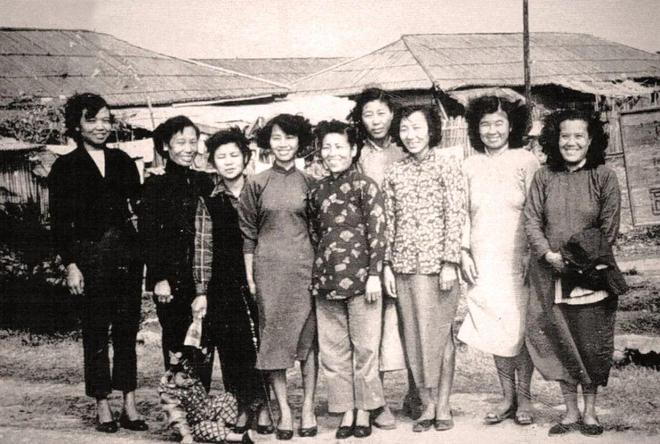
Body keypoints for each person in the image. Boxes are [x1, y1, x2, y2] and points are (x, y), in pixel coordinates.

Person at [49, 93, 147, 433]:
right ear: (77, 125)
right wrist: (71, 265)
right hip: (90, 258)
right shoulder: (65, 167)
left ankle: (129, 404)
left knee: (127, 330)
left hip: (126, 258)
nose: (101, 127)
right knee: (95, 331)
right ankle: (102, 403)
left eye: (106, 120)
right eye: (92, 120)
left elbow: (137, 209)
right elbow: (59, 222)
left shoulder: (123, 161)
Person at [524, 109, 622, 437]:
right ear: (555, 139)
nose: (571, 142)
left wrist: (576, 262)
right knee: (561, 341)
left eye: (579, 136)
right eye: (565, 136)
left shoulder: (604, 177)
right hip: (550, 272)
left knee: (590, 344)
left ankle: (590, 412)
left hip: (591, 274)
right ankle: (569, 412)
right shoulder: (543, 177)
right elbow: (531, 220)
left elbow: (608, 228)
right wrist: (548, 255)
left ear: (591, 140)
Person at [382, 105, 466, 433]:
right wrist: (387, 266)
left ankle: (443, 405)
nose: (411, 135)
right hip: (404, 266)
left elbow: (456, 214)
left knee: (440, 337)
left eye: (417, 128)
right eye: (405, 129)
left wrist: (450, 262)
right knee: (414, 337)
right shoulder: (394, 172)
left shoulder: (448, 166)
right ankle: (426, 404)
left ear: (431, 130)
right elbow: (389, 222)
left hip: (438, 267)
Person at [457, 96, 540, 426]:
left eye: (499, 123)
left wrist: (531, 252)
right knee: (495, 325)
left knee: (518, 327)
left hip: (518, 257)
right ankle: (507, 397)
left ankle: (526, 397)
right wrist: (463, 252)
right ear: (476, 129)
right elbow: (462, 213)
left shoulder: (526, 161)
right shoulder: (469, 165)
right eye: (485, 124)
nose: (492, 130)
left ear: (511, 126)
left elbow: (536, 211)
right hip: (483, 258)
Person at [238, 114, 318, 440]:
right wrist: (251, 278)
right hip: (268, 273)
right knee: (273, 342)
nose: (283, 144)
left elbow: (318, 231)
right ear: (267, 143)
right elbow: (248, 235)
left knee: (307, 343)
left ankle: (308, 407)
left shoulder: (311, 182)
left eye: (289, 137)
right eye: (276, 138)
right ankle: (284, 410)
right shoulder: (256, 183)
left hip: (304, 271)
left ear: (300, 142)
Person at [307, 120, 386, 439]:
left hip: (363, 280)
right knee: (333, 351)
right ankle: (346, 410)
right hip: (327, 280)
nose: (332, 153)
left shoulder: (366, 185)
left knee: (365, 348)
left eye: (339, 146)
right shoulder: (317, 190)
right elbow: (315, 233)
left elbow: (378, 233)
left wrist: (375, 274)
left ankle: (365, 409)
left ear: (353, 150)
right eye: (327, 147)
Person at [348, 87, 421, 428]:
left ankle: (417, 392)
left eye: (381, 113)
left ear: (392, 114)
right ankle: (375, 402)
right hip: (368, 250)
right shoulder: (356, 153)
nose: (375, 120)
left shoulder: (406, 146)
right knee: (372, 329)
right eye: (368, 114)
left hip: (407, 246)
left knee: (409, 323)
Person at [193, 127, 273, 435]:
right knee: (232, 347)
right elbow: (203, 247)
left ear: (246, 157)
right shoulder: (209, 200)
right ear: (212, 162)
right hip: (224, 284)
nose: (228, 162)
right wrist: (201, 290)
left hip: (262, 278)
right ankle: (241, 405)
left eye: (234, 155)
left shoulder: (260, 190)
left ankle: (264, 406)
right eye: (221, 156)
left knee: (263, 344)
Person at [141, 116, 213, 383]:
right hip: (171, 282)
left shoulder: (204, 182)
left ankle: (200, 403)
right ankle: (177, 403)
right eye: (181, 142)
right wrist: (159, 278)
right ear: (165, 145)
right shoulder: (154, 185)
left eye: (193, 142)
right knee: (176, 348)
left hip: (202, 279)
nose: (188, 148)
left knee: (203, 344)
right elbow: (148, 236)